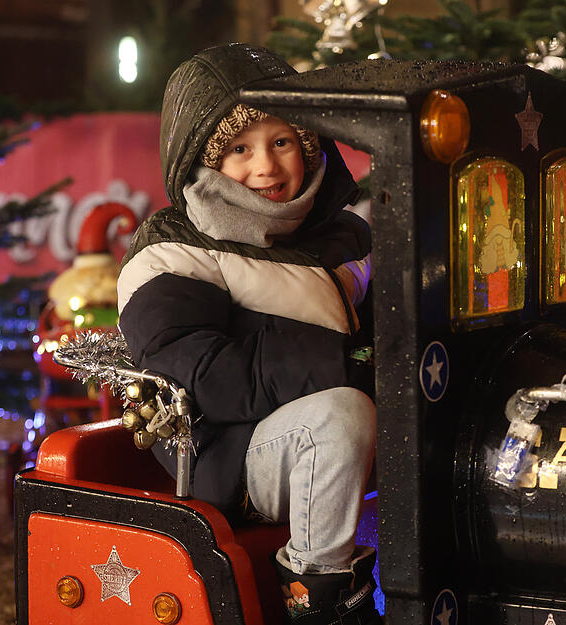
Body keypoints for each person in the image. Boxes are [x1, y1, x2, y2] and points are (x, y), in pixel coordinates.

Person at [116, 43, 380, 625]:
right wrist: (343, 361)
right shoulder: (172, 252)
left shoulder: (342, 237)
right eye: (240, 149)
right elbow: (204, 374)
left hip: (326, 426)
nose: (266, 166)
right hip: (226, 451)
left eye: (282, 141)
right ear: (204, 160)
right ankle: (318, 597)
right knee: (341, 415)